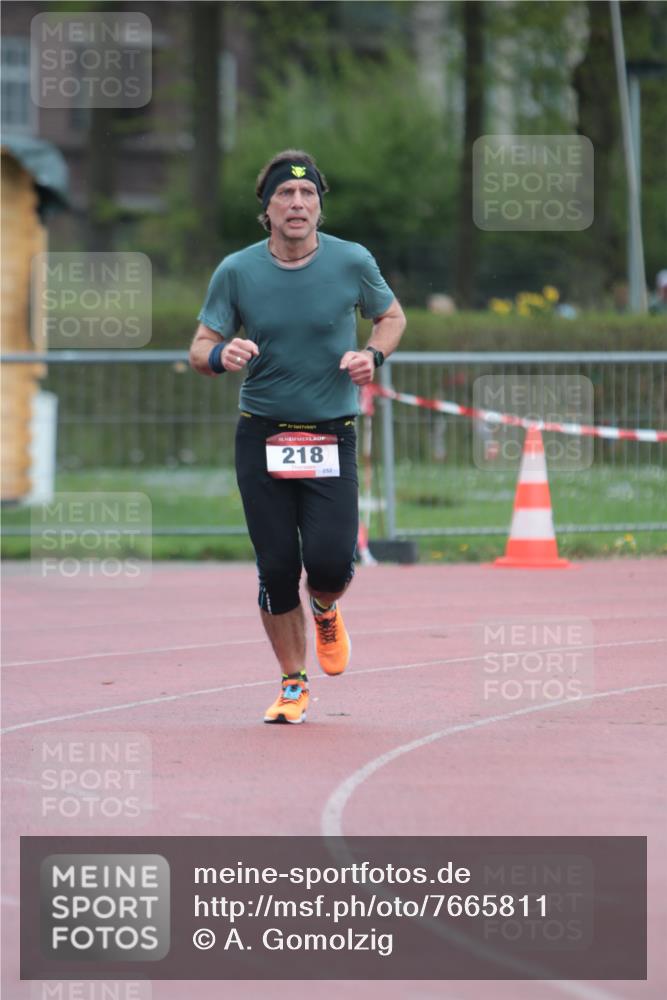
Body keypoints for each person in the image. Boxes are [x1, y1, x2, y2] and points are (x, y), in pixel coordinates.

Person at [189, 149, 406, 724]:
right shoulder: (237, 271)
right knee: (277, 565)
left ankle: (327, 609)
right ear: (267, 209)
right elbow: (199, 347)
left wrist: (372, 354)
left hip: (330, 433)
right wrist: (220, 352)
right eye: (285, 195)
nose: (297, 203)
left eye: (307, 195)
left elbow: (392, 316)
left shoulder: (351, 261)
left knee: (331, 564)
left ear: (319, 208)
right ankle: (292, 682)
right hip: (261, 434)